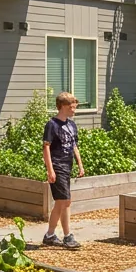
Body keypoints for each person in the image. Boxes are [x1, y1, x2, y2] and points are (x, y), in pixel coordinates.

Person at [43, 92, 86, 249]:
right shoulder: (52, 125)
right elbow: (46, 147)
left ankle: (49, 235)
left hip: (67, 166)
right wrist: (50, 170)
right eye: (71, 107)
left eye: (75, 107)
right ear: (62, 107)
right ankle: (68, 236)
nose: (74, 110)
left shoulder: (72, 125)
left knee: (60, 203)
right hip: (57, 165)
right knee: (65, 201)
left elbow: (74, 146)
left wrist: (80, 165)